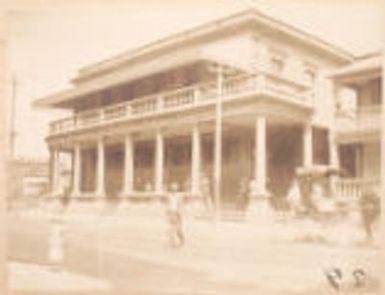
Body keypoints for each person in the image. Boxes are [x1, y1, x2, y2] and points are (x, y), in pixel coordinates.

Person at [166, 183, 185, 247]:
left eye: (175, 188)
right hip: (171, 213)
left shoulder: (179, 196)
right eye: (172, 188)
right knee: (171, 229)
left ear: (177, 189)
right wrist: (167, 211)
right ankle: (172, 243)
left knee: (178, 229)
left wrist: (180, 213)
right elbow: (168, 204)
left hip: (177, 213)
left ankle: (182, 239)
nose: (173, 190)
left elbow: (181, 205)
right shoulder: (169, 195)